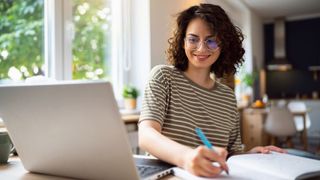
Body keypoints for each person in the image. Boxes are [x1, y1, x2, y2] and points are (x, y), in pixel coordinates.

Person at [138, 3, 286, 178]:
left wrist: (252, 154)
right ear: (182, 41)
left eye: (211, 40)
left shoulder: (227, 97)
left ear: (223, 45)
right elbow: (146, 135)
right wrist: (186, 157)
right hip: (167, 175)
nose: (201, 48)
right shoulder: (163, 76)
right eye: (193, 39)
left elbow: (231, 154)